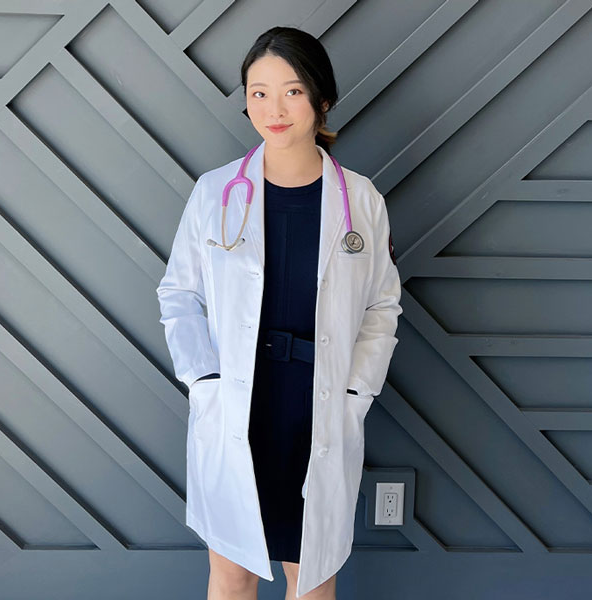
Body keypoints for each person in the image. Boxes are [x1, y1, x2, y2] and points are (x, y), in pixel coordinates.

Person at [157, 26, 402, 599]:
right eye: (258, 92)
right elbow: (179, 295)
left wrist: (356, 391)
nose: (273, 108)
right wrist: (206, 380)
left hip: (318, 402)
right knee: (232, 573)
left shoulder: (360, 200)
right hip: (240, 399)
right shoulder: (215, 193)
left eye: (291, 91)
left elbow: (382, 305)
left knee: (310, 576)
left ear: (321, 99)